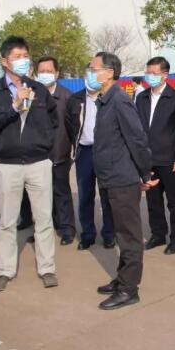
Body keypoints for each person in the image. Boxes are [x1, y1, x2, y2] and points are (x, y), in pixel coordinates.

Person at [0, 36, 58, 291]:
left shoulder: (39, 89)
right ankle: (5, 271)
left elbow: (53, 122)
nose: (23, 61)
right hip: (8, 165)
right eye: (17, 57)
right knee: (7, 221)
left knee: (44, 219)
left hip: (38, 163)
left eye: (26, 56)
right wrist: (14, 106)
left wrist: (44, 144)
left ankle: (47, 268)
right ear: (4, 61)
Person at [89, 52, 158, 310]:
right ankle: (122, 278)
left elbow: (137, 139)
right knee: (120, 232)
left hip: (122, 179)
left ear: (109, 73)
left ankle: (129, 289)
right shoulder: (104, 100)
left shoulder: (119, 100)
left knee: (129, 236)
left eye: (94, 68)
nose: (90, 73)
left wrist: (146, 173)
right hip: (109, 177)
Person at [136, 57, 175, 254]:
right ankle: (158, 234)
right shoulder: (141, 98)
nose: (149, 76)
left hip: (168, 159)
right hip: (148, 158)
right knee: (153, 200)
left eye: (154, 73)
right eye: (147, 72)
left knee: (174, 200)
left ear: (165, 75)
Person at [65, 66, 116, 250]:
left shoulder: (110, 98)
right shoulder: (75, 99)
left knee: (107, 195)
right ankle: (88, 234)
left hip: (106, 153)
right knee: (85, 195)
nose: (92, 77)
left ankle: (109, 234)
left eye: (96, 73)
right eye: (89, 73)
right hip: (84, 152)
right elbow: (69, 127)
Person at [34, 56, 76, 245]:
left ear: (57, 73)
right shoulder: (31, 95)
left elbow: (74, 127)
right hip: (37, 155)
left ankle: (67, 229)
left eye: (49, 71)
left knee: (61, 193)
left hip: (60, 154)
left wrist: (73, 151)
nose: (45, 74)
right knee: (40, 196)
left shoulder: (67, 97)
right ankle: (44, 228)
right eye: (41, 71)